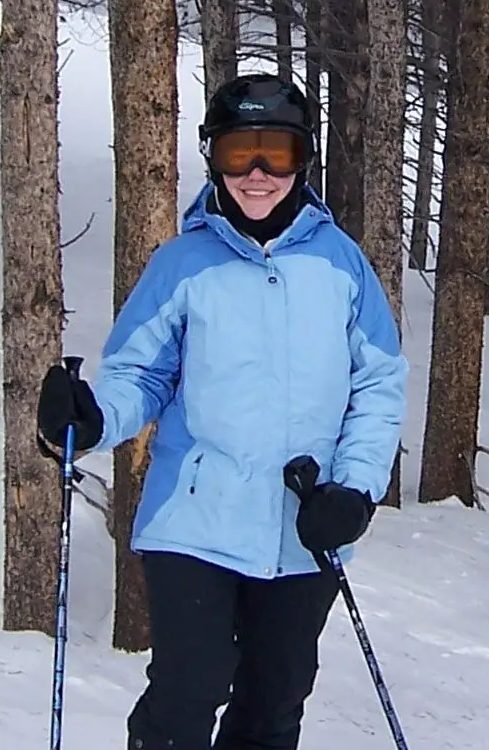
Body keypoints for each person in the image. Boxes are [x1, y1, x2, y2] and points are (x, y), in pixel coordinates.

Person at [35, 73, 409, 750]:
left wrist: (355, 488)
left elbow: (378, 384)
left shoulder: (342, 266)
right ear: (215, 158)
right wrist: (91, 419)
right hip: (195, 515)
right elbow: (140, 374)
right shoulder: (183, 264)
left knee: (275, 698)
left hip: (304, 524)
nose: (258, 174)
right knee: (190, 685)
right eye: (241, 154)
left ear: (303, 160)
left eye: (278, 153)